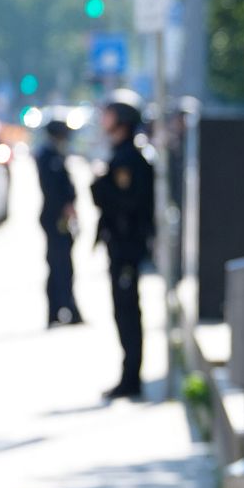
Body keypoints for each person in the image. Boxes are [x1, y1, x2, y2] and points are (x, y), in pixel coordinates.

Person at [91, 101, 154, 400]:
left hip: (127, 246)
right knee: (122, 310)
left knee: (127, 311)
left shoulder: (129, 158)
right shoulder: (120, 154)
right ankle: (129, 376)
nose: (105, 119)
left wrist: (100, 183)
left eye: (110, 115)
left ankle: (131, 379)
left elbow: (124, 201)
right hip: (120, 244)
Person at [35, 120, 83, 328]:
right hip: (55, 218)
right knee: (59, 264)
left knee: (63, 264)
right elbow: (55, 190)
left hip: (59, 217)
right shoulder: (48, 156)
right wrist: (66, 208)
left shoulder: (55, 154)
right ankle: (62, 309)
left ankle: (63, 309)